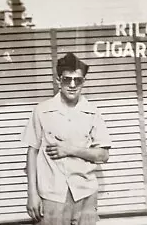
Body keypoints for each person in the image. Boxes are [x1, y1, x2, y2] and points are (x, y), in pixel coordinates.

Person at [22, 52, 112, 224]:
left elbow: (103, 155)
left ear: (83, 82)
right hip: (51, 196)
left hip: (85, 195)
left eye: (77, 80)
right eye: (67, 79)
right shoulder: (41, 111)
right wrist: (32, 194)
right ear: (58, 80)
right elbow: (32, 152)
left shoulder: (92, 113)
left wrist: (70, 150)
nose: (72, 85)